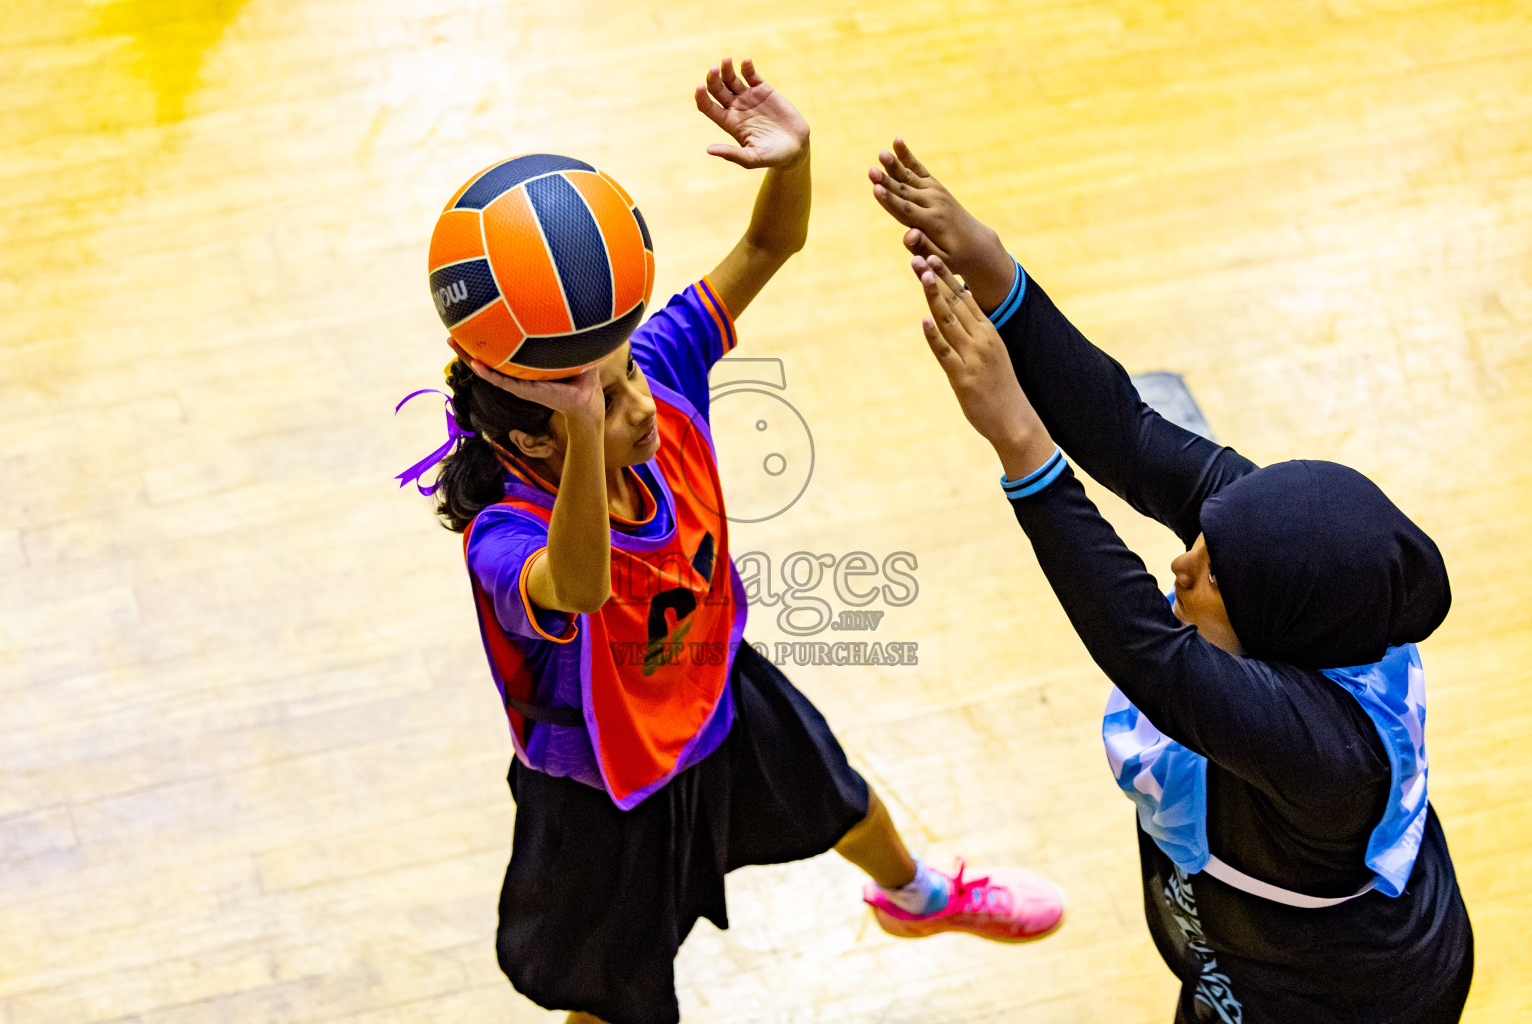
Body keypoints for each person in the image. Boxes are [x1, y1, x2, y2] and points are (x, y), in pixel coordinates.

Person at [398, 66, 1066, 1024]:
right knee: (613, 992)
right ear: (529, 435)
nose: (644, 408)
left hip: (710, 684)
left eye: (628, 380)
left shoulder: (660, 368)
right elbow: (579, 586)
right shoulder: (503, 536)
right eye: (607, 399)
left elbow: (768, 240)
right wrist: (589, 426)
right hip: (603, 785)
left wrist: (791, 162)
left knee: (836, 791)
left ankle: (918, 897)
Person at [868, 139, 1472, 1023]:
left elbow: (1142, 647)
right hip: (1241, 939)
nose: (1180, 565)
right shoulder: (1291, 558)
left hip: (1342, 999)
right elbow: (1130, 433)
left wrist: (1022, 448)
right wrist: (993, 268)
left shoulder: (1323, 754)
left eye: (1208, 578)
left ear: (1276, 631)